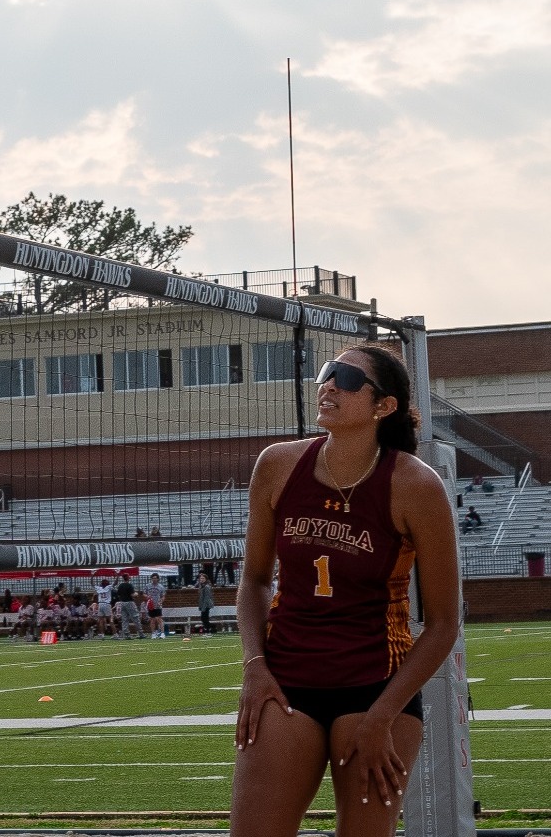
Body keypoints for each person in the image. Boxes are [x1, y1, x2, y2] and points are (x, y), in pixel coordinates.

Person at [230, 345, 461, 837]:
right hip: (285, 680)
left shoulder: (416, 485)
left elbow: (443, 624)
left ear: (384, 406)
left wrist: (382, 716)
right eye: (327, 373)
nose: (328, 385)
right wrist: (254, 666)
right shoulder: (277, 464)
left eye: (347, 378)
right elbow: (253, 581)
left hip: (377, 686)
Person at [145, 572, 168, 638]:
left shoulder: (161, 587)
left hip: (158, 605)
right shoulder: (148, 586)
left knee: (159, 619)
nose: (154, 579)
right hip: (151, 605)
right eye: (153, 578)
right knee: (152, 619)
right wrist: (147, 596)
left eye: (155, 578)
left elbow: (163, 596)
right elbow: (144, 593)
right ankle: (153, 633)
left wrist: (161, 601)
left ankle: (162, 633)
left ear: (158, 579)